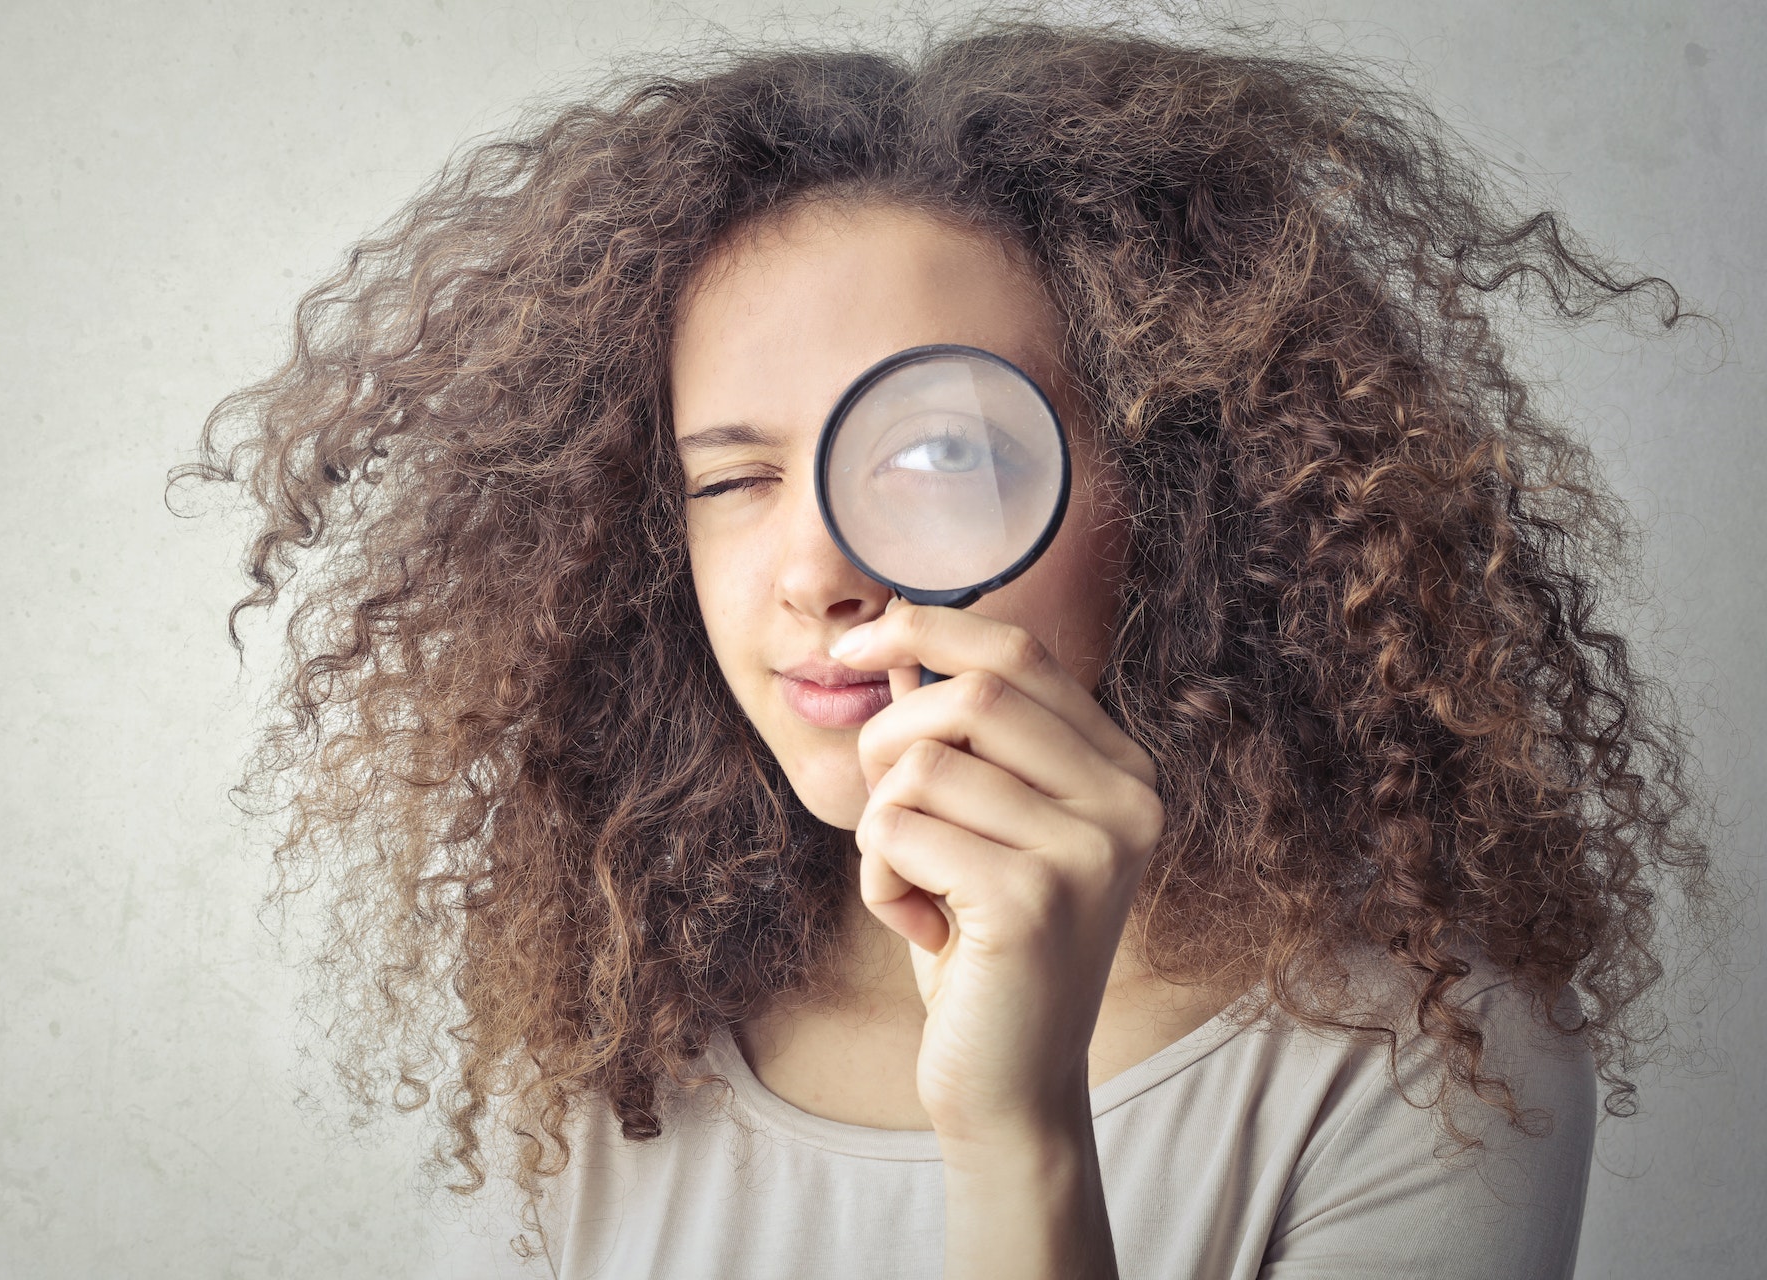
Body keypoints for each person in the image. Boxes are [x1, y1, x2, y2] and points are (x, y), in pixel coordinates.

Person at [174, 13, 1720, 1279]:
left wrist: (1019, 1129)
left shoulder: (1426, 1067)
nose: (819, 573)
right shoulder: (617, 1030)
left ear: (1172, 498)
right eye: (731, 480)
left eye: (938, 456)